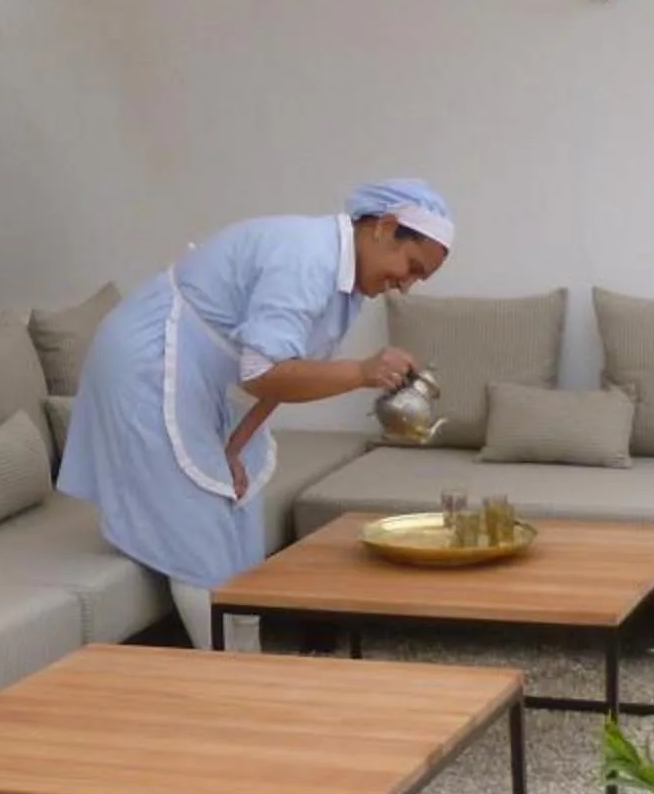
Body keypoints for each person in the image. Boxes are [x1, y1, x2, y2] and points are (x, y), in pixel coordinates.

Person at [57, 178, 454, 650]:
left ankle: (245, 664)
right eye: (410, 267)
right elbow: (264, 371)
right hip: (147, 363)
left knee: (238, 515)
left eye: (418, 279)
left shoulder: (346, 286)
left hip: (202, 372)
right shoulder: (307, 259)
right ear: (384, 228)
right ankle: (227, 683)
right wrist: (362, 371)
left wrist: (235, 446)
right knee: (199, 533)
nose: (405, 286)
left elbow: (285, 369)